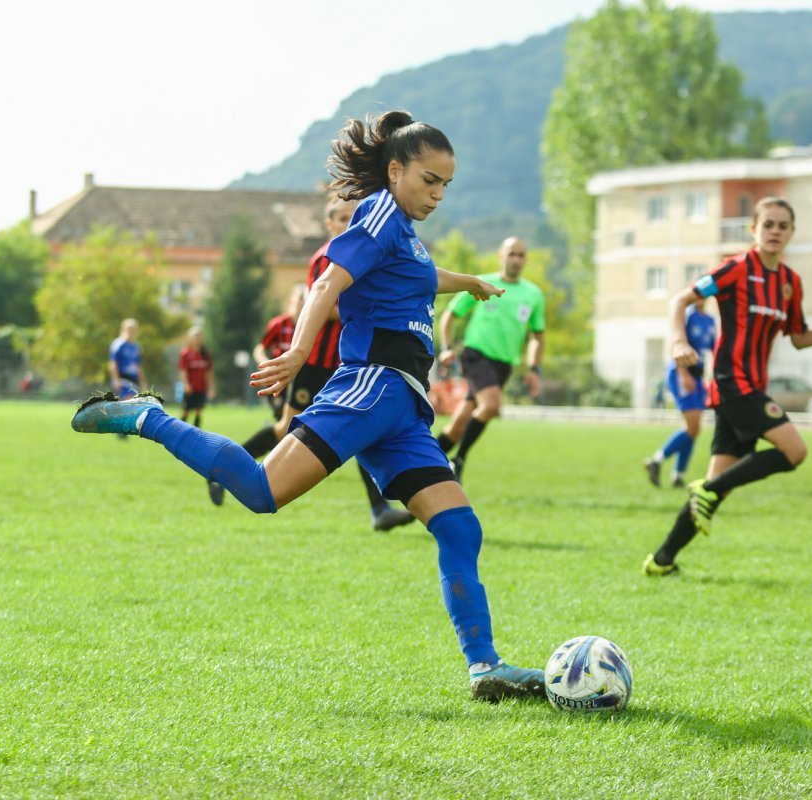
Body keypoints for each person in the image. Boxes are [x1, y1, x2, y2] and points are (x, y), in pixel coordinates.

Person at [72, 109, 547, 702]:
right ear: (395, 171)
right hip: (371, 388)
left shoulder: (402, 229)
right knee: (261, 492)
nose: (438, 193)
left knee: (458, 527)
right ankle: (148, 417)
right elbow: (327, 283)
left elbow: (420, 274)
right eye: (430, 179)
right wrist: (298, 352)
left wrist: (470, 282)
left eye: (446, 184)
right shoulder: (378, 214)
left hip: (404, 408)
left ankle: (486, 670)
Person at [642, 197, 812, 576]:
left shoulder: (790, 283)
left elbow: (799, 337)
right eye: (768, 224)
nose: (775, 231)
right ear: (753, 229)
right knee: (794, 451)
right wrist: (678, 341)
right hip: (731, 383)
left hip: (752, 385)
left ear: (791, 233)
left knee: (718, 485)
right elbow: (680, 299)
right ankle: (704, 492)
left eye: (782, 226)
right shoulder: (737, 269)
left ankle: (662, 560)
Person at [224, 197, 415, 534]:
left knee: (363, 432)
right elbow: (321, 306)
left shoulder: (365, 254)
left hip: (343, 365)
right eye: (341, 218)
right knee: (285, 429)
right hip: (313, 362)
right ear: (329, 224)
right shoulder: (327, 257)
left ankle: (379, 510)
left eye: (351, 217)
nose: (347, 223)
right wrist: (372, 308)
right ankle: (227, 467)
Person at [435, 236, 545, 481]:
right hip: (476, 356)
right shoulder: (483, 283)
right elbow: (450, 315)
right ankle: (458, 461)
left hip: (504, 364)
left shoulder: (533, 294)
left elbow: (537, 335)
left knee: (458, 424)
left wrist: (534, 368)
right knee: (491, 406)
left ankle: (417, 466)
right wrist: (446, 347)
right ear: (501, 256)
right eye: (511, 253)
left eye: (520, 255)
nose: (516, 259)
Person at [644, 298, 717, 489]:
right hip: (681, 372)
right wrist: (683, 373)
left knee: (693, 429)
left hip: (697, 375)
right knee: (693, 428)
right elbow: (676, 344)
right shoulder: (688, 316)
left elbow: (713, 348)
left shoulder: (709, 320)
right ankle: (657, 460)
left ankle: (678, 475)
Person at [253, 285, 305, 423]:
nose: (302, 302)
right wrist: (266, 365)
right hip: (279, 377)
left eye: (306, 298)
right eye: (300, 298)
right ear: (291, 301)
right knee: (281, 417)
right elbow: (259, 348)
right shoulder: (279, 324)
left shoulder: (312, 326)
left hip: (303, 377)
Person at [178, 326, 215, 428]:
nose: (197, 338)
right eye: (195, 336)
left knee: (199, 410)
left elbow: (208, 372)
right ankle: (180, 431)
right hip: (190, 387)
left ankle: (196, 433)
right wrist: (186, 384)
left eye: (199, 336)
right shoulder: (186, 353)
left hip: (201, 387)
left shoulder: (205, 354)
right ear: (190, 338)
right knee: (186, 410)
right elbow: (183, 371)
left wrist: (211, 387)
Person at [108, 318, 146, 399]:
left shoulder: (136, 346)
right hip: (122, 378)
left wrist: (143, 381)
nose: (131, 332)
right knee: (126, 403)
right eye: (129, 330)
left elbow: (138, 365)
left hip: (133, 379)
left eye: (133, 330)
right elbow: (113, 363)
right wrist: (116, 380)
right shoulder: (118, 344)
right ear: (123, 330)